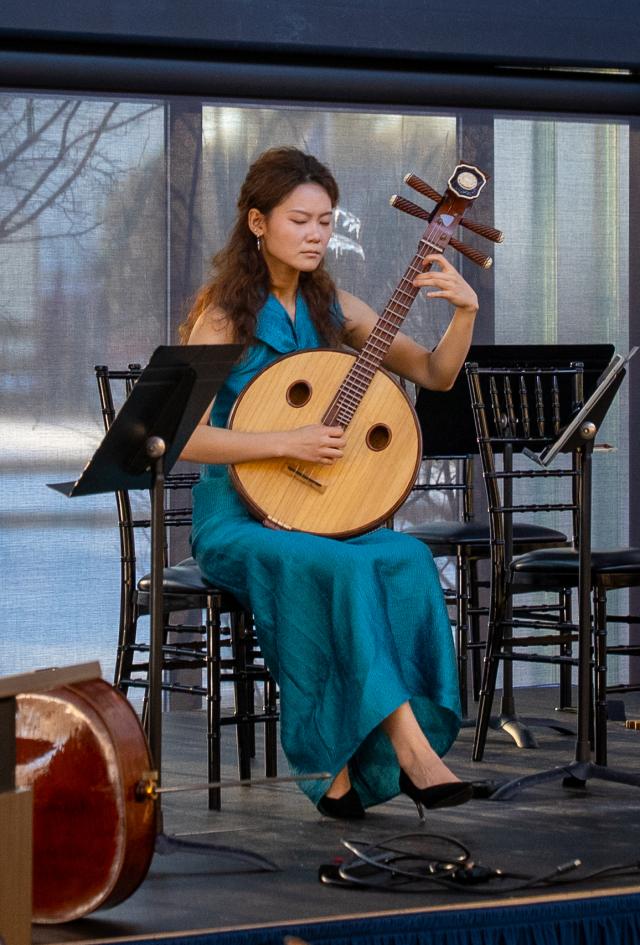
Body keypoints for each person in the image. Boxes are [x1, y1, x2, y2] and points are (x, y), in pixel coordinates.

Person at [179, 146, 479, 819]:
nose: (316, 235)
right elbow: (185, 435)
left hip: (317, 513)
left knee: (404, 556)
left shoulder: (334, 305)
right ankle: (407, 750)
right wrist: (287, 440)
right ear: (258, 222)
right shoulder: (223, 315)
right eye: (300, 220)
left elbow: (433, 373)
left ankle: (356, 762)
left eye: (325, 221)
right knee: (335, 567)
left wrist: (464, 313)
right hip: (235, 519)